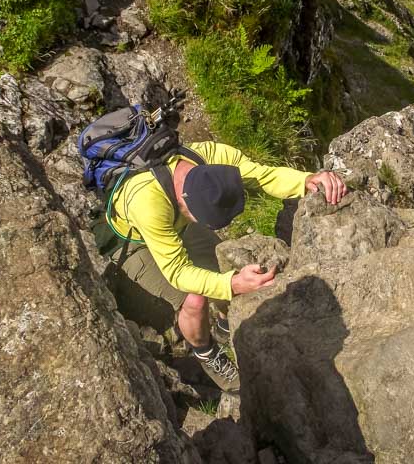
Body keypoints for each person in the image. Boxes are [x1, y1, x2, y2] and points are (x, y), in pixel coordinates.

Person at [97, 141, 347, 391]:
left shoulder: (208, 156)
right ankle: (206, 352)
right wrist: (232, 284)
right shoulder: (146, 201)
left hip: (174, 221)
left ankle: (225, 325)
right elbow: (177, 272)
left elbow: (261, 175)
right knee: (194, 300)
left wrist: (307, 179)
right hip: (130, 243)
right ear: (186, 203)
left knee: (218, 267)